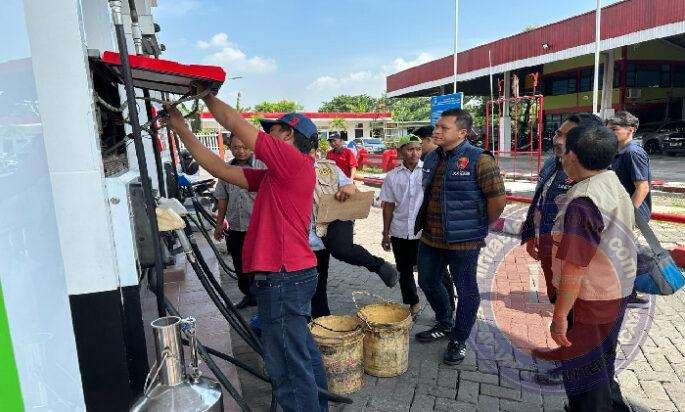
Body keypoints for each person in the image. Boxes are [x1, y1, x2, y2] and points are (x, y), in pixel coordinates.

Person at [165, 95, 328, 411]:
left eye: (273, 131)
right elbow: (220, 168)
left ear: (288, 136)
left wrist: (206, 94)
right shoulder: (276, 175)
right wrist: (181, 128)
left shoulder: (293, 162)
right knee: (301, 354)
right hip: (290, 276)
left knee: (288, 366)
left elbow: (234, 122)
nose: (265, 137)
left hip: (283, 277)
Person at [536, 125, 634, 412]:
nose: (561, 155)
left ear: (572, 156)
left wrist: (560, 316)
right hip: (614, 292)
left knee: (584, 375)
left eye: (564, 149)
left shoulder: (584, 201)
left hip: (590, 300)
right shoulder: (610, 179)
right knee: (601, 363)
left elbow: (575, 267)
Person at [413, 109, 506, 366]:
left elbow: (498, 200)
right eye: (437, 126)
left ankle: (459, 338)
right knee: (427, 281)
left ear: (462, 132)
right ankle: (444, 321)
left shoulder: (480, 159)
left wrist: (477, 226)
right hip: (431, 237)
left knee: (466, 289)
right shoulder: (432, 157)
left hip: (464, 241)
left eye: (444, 128)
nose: (437, 131)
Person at [520, 112, 603, 385]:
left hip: (576, 256)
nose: (558, 140)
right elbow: (539, 199)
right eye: (558, 133)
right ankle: (567, 352)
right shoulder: (552, 163)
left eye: (566, 136)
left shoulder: (592, 172)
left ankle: (573, 364)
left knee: (577, 310)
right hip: (549, 246)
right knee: (560, 301)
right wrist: (530, 233)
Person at [213, 136, 265, 309]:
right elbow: (222, 197)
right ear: (230, 148)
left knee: (259, 266)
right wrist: (219, 223)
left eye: (244, 147)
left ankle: (262, 300)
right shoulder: (226, 170)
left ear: (251, 147)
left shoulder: (262, 166)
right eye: (236, 147)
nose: (240, 151)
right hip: (235, 227)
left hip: (258, 229)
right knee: (239, 265)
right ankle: (248, 296)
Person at [606, 111, 652, 308]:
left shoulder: (633, 152)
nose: (610, 133)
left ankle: (630, 295)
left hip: (631, 215)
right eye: (608, 129)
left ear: (630, 130)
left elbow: (642, 187)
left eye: (614, 129)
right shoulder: (619, 151)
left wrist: (628, 215)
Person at [379, 135, 423, 314]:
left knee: (432, 269)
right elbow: (388, 206)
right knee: (404, 270)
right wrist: (385, 234)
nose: (415, 153)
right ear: (400, 151)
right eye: (410, 149)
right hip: (399, 231)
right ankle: (413, 303)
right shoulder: (392, 176)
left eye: (418, 149)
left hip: (423, 232)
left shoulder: (428, 172)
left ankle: (446, 305)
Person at [415, 125, 456, 310]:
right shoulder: (428, 159)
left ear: (427, 140)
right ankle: (447, 311)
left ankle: (448, 313)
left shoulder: (445, 159)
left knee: (435, 274)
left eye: (419, 143)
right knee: (434, 274)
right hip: (429, 228)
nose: (417, 147)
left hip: (445, 228)